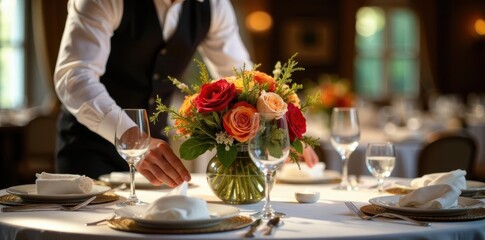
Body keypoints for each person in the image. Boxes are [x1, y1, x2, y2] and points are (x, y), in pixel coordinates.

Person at [54, 0, 318, 188]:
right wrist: (133, 138)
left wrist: (283, 131)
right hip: (89, 149)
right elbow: (74, 77)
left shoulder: (212, 6)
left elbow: (243, 77)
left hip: (154, 159)